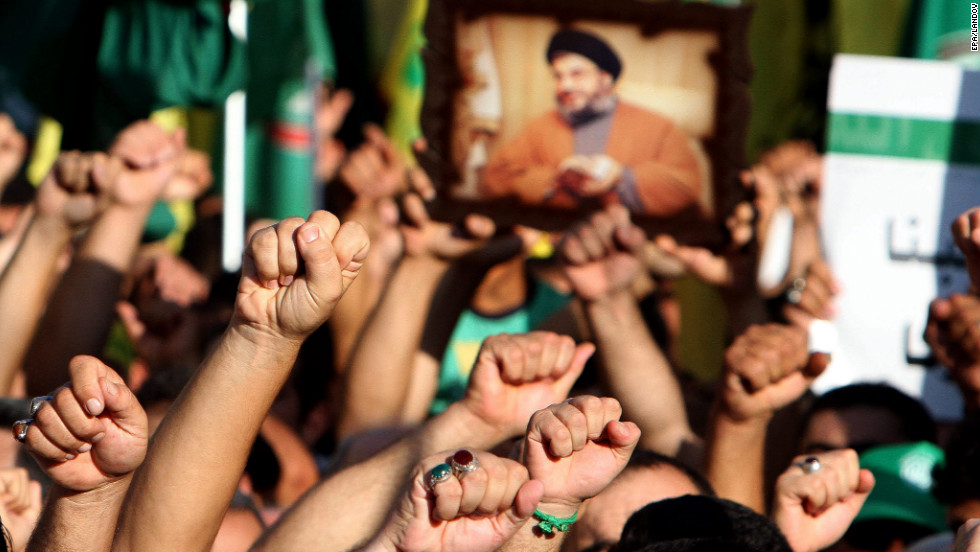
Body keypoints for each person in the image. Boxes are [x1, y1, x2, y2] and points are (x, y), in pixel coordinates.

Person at [481, 28, 702, 217]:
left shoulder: (658, 126)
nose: (564, 85)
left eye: (577, 74)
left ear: (605, 77)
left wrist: (620, 177)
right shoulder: (539, 126)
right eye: (558, 76)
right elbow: (496, 178)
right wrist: (555, 179)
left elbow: (687, 183)